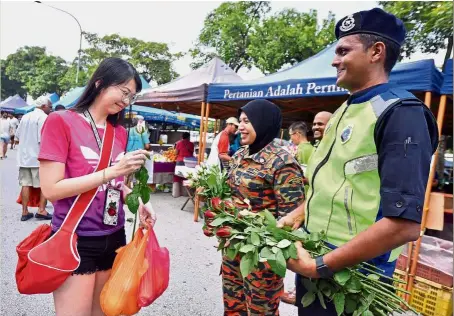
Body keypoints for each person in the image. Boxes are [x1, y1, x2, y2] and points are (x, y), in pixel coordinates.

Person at [279, 8, 438, 315]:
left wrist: (318, 266)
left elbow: (404, 224)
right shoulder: (343, 111)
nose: (335, 60)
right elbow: (336, 182)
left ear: (376, 52)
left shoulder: (401, 113)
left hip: (357, 277)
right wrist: (298, 214)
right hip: (318, 262)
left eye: (343, 51)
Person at [38, 57, 156, 316]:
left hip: (114, 236)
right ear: (100, 82)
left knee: (105, 312)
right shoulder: (61, 122)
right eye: (124, 92)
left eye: (132, 97)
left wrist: (137, 201)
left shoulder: (120, 133)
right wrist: (111, 171)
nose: (126, 101)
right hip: (75, 238)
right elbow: (51, 189)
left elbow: (115, 184)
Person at [218, 99, 305, 315]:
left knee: (261, 310)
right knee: (233, 305)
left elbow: (293, 217)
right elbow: (229, 192)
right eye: (240, 121)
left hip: (263, 255)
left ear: (263, 122)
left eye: (247, 121)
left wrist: (265, 239)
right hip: (233, 246)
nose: (240, 126)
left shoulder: (282, 163)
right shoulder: (240, 155)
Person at [15, 96, 53, 221]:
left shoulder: (25, 116)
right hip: (38, 158)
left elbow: (17, 136)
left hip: (24, 158)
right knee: (43, 185)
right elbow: (43, 139)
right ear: (44, 106)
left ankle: (24, 212)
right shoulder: (44, 118)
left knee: (25, 184)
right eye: (50, 107)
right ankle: (41, 210)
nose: (51, 109)